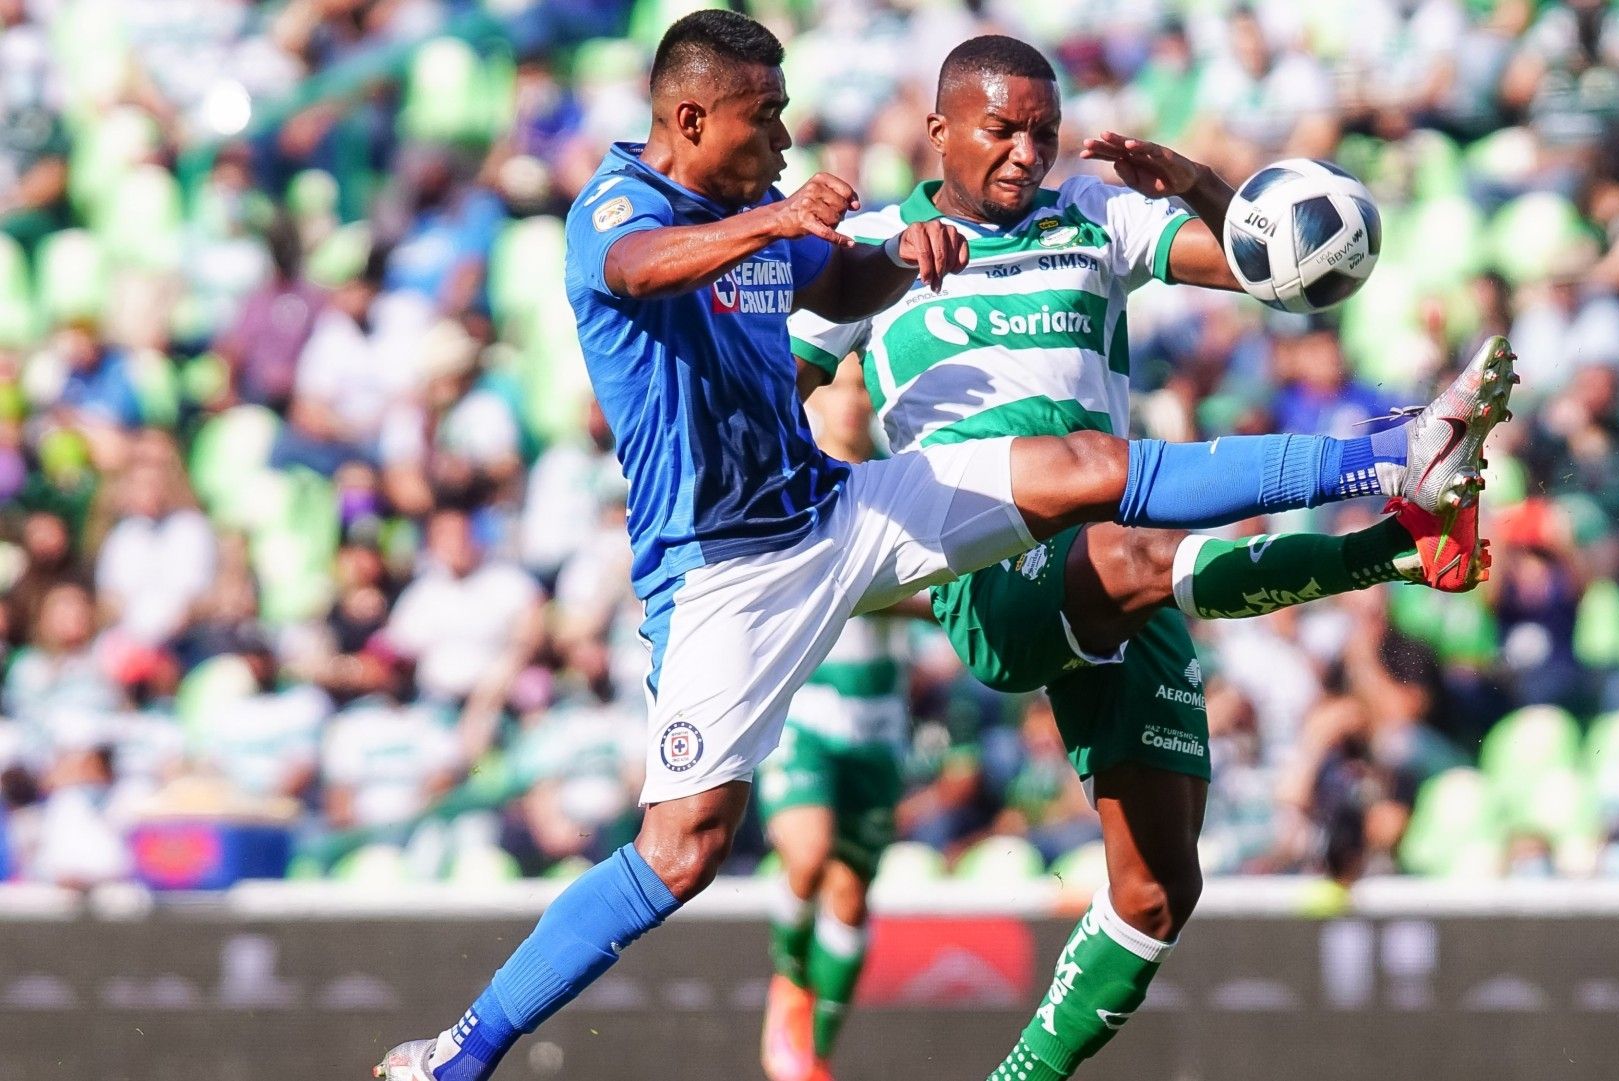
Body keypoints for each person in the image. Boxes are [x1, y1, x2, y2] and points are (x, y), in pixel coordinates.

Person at [376, 13, 1507, 1081]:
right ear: (690, 120)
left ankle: (1394, 457)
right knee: (683, 850)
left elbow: (839, 278)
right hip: (723, 570)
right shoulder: (620, 206)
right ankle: (458, 1054)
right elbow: (637, 270)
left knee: (1086, 468)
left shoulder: (835, 215)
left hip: (835, 510)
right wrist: (785, 222)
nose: (784, 138)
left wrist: (902, 256)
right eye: (765, 117)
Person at [784, 36, 1516, 1080]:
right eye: (1004, 130)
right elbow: (773, 396)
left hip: (1115, 552)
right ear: (939, 129)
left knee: (1158, 892)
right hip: (992, 566)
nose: (1029, 152)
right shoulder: (869, 251)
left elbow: (1285, 276)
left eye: (1045, 131)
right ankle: (1397, 471)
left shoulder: (1094, 214)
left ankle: (1405, 545)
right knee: (1126, 523)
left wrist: (1205, 187)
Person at [757, 360, 920, 1081]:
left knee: (851, 895)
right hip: (807, 709)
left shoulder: (903, 477)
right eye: (840, 385)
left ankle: (816, 1054)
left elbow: (941, 583)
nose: (853, 401)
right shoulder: (788, 468)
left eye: (864, 388)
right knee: (808, 855)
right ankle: (790, 975)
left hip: (880, 722)